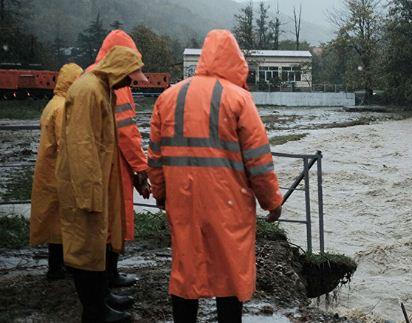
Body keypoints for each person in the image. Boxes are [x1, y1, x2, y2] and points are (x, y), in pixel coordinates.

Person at [147, 29, 283, 323]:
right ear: (236, 61)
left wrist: (160, 194)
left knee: (185, 269)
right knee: (230, 270)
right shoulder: (239, 100)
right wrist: (272, 202)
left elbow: (155, 158)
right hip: (228, 205)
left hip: (182, 202)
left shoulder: (167, 98)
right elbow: (258, 162)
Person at [56, 45, 148, 323]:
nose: (131, 83)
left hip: (95, 184)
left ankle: (101, 301)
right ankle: (94, 311)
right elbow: (82, 145)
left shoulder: (101, 88)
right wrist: (90, 195)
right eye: (130, 77)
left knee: (95, 246)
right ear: (118, 70)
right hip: (85, 188)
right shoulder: (89, 91)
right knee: (85, 249)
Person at [87, 30, 151, 288]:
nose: (131, 82)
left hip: (100, 161)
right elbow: (126, 130)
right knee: (114, 219)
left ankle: (103, 278)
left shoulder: (91, 75)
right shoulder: (115, 83)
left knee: (102, 220)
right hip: (113, 163)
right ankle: (108, 277)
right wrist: (141, 169)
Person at [29, 63, 83, 280]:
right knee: (62, 221)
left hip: (47, 171)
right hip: (58, 174)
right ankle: (58, 267)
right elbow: (65, 143)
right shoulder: (63, 108)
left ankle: (56, 266)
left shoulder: (53, 104)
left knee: (53, 221)